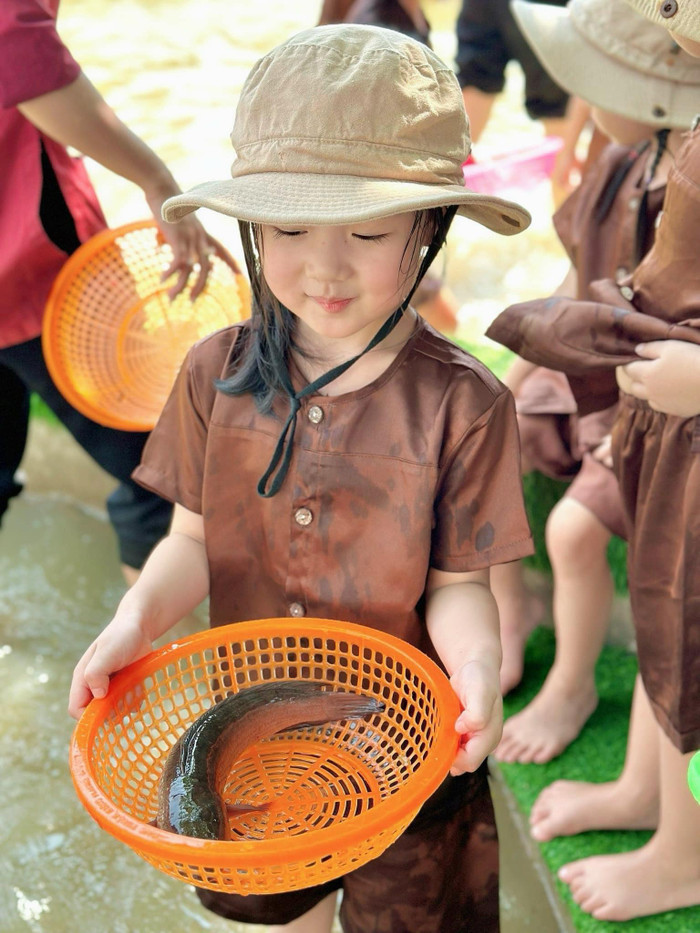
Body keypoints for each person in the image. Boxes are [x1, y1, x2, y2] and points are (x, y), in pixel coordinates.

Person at [69, 24, 535, 932]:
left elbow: (460, 588)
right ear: (249, 227)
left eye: (367, 231)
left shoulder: (466, 402)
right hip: (246, 742)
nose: (323, 266)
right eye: (287, 228)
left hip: (405, 750)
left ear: (430, 227)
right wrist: (133, 621)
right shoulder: (214, 371)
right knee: (265, 917)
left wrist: (478, 668)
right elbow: (192, 543)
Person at [488, 0, 700, 919]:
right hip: (663, 424)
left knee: (683, 629)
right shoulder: (652, 156)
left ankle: (682, 855)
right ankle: (643, 794)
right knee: (660, 613)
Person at [0, 0, 218, 585]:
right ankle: (159, 667)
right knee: (160, 474)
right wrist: (157, 181)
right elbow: (20, 57)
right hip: (29, 272)